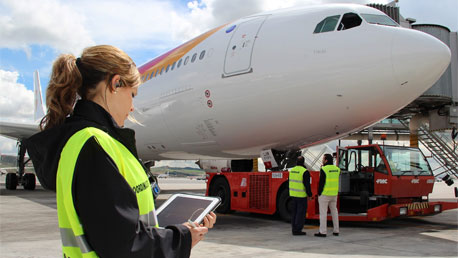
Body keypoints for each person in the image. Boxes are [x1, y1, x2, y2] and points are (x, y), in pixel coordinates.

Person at [25, 45, 216, 258]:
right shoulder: (94, 146)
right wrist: (182, 237)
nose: (133, 106)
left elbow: (117, 227)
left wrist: (175, 230)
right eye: (132, 94)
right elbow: (123, 246)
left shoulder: (93, 142)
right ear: (115, 84)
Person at [315, 153, 340, 237]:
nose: (322, 160)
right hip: (334, 194)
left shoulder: (324, 169)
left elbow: (321, 183)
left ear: (326, 160)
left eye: (323, 158)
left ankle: (323, 232)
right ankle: (336, 230)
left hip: (325, 194)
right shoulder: (337, 169)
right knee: (334, 212)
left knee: (323, 213)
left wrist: (319, 193)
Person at [289, 156, 313, 235]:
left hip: (293, 195)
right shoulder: (304, 171)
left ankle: (294, 229)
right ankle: (298, 230)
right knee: (301, 213)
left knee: (294, 213)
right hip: (301, 196)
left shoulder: (292, 170)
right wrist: (309, 195)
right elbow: (307, 185)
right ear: (303, 162)